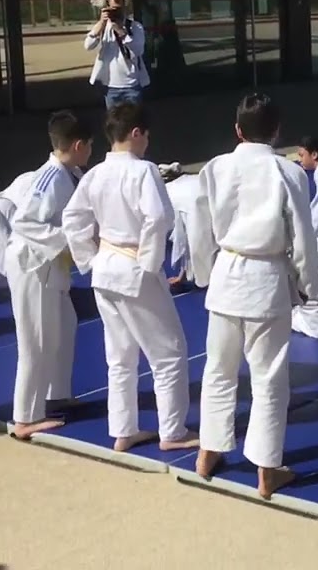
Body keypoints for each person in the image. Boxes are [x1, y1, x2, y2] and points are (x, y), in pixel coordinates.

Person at [188, 93, 318, 500]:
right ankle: (266, 470)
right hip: (266, 278)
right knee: (268, 378)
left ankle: (208, 453)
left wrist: (205, 274)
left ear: (238, 130)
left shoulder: (215, 168)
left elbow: (199, 228)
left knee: (218, 371)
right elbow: (303, 237)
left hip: (227, 273)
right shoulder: (289, 173)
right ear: (277, 131)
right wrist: (307, 284)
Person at [62, 103, 198, 453]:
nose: (147, 142)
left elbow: (73, 219)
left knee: (120, 357)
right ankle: (172, 432)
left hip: (106, 268)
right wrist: (149, 265)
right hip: (133, 266)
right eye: (146, 135)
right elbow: (157, 218)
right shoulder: (143, 171)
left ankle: (124, 429)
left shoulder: (94, 174)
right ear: (136, 133)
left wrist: (90, 259)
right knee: (168, 353)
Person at [5, 111, 94, 439]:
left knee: (65, 326)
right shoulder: (51, 177)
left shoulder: (69, 173)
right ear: (79, 144)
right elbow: (24, 223)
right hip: (33, 266)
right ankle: (25, 417)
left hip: (50, 265)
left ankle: (56, 394)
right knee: (36, 340)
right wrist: (69, 243)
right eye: (89, 146)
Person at [85, 0, 150, 109]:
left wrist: (122, 32)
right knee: (114, 123)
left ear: (124, 8)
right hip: (110, 86)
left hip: (131, 84)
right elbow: (88, 46)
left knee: (133, 121)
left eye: (118, 9)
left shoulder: (135, 27)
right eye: (112, 9)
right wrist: (101, 23)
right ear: (107, 9)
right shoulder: (103, 27)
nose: (116, 13)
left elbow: (139, 50)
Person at [161, 166, 205, 288]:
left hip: (198, 214)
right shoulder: (193, 180)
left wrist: (182, 275)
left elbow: (182, 239)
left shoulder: (169, 192)